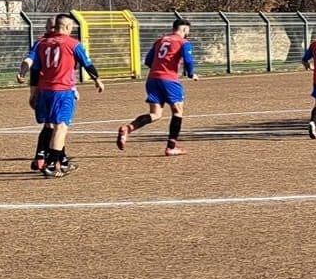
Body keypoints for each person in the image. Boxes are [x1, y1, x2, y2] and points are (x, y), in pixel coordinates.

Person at [21, 13, 104, 178]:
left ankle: (57, 160)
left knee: (50, 126)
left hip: (44, 91)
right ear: (66, 27)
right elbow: (87, 64)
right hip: (62, 91)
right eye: (71, 27)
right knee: (61, 127)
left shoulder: (41, 44)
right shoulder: (73, 44)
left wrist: (29, 86)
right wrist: (97, 79)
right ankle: (52, 163)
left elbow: (34, 68)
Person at [118, 18, 195, 156]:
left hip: (152, 79)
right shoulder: (183, 42)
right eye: (187, 31)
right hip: (169, 80)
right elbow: (188, 60)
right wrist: (191, 74)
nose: (187, 34)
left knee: (155, 114)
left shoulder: (160, 41)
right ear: (183, 30)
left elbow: (148, 60)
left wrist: (159, 68)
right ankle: (171, 147)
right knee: (177, 111)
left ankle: (128, 128)